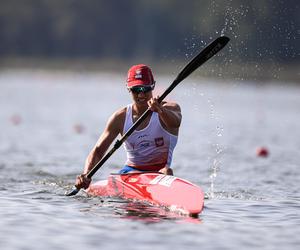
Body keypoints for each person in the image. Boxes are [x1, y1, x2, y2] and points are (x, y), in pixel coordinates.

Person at [75, 64, 182, 190]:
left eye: (145, 89)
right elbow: (98, 151)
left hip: (160, 172)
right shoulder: (120, 118)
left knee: (167, 171)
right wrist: (86, 174)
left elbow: (175, 123)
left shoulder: (170, 108)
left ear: (153, 86)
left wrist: (160, 110)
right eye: (136, 90)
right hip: (131, 173)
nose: (141, 95)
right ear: (128, 88)